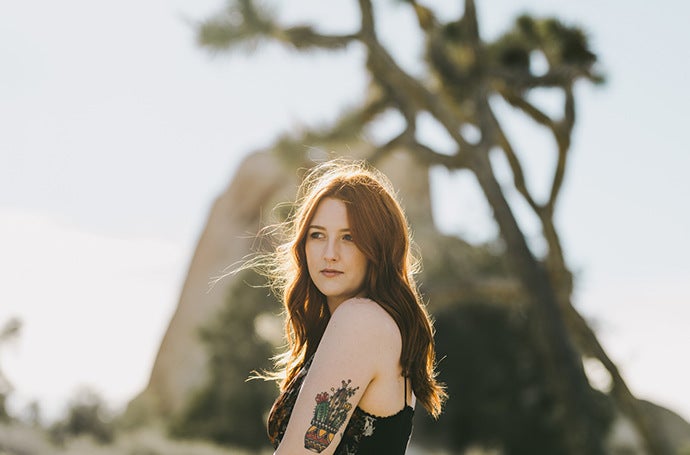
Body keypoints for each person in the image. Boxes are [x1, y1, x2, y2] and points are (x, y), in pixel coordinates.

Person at [260, 158, 446, 454]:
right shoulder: (373, 322)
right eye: (317, 235)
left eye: (349, 237)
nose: (330, 253)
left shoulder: (360, 321)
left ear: (378, 248)